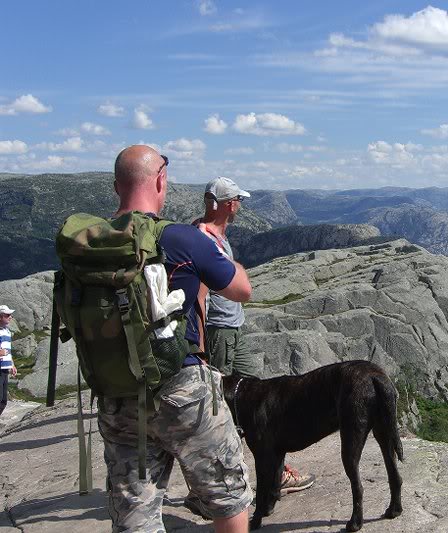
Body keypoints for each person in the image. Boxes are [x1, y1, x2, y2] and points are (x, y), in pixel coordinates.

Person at [99, 145, 252, 532]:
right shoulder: (182, 238)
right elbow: (241, 290)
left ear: (117, 186)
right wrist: (212, 251)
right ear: (161, 180)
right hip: (179, 385)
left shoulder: (92, 243)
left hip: (117, 393)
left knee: (135, 513)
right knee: (228, 495)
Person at [194, 177, 316, 495]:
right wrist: (201, 346)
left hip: (234, 328)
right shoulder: (203, 237)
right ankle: (207, 484)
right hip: (219, 332)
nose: (240, 206)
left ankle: (275, 472)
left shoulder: (218, 236)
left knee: (257, 399)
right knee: (218, 407)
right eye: (237, 200)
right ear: (227, 204)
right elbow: (199, 297)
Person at [0, 304, 18, 417]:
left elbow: (8, 351)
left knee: (3, 401)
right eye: (7, 315)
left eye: (10, 315)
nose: (10, 317)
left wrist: (12, 365)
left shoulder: (7, 331)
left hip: (5, 369)